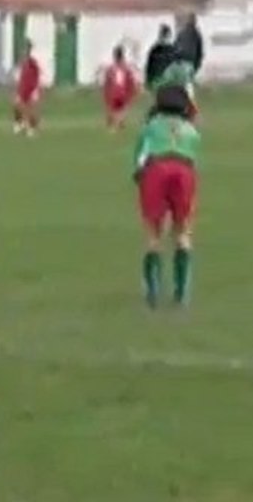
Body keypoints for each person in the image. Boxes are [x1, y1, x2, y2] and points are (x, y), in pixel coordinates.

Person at [133, 84, 201, 308]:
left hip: (157, 169)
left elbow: (140, 160)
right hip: (184, 171)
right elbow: (194, 161)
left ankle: (153, 292)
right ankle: (181, 293)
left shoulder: (150, 126)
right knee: (182, 232)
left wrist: (139, 178)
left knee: (154, 234)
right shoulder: (191, 130)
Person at [103, 46, 138, 130]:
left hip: (113, 93)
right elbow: (130, 81)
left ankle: (116, 122)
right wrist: (133, 90)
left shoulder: (111, 68)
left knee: (114, 109)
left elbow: (108, 81)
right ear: (122, 56)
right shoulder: (126, 68)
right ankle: (117, 123)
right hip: (123, 93)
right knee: (123, 109)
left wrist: (106, 92)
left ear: (114, 56)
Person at [13, 40, 41, 136]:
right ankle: (20, 123)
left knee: (31, 109)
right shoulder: (22, 62)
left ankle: (32, 128)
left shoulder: (32, 62)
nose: (24, 51)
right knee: (17, 106)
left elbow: (37, 75)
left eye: (26, 49)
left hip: (31, 88)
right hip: (22, 89)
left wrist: (36, 88)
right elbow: (19, 75)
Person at [144, 24, 175, 91]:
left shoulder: (154, 49)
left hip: (158, 81)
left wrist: (148, 81)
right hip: (168, 82)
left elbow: (149, 67)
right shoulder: (172, 50)